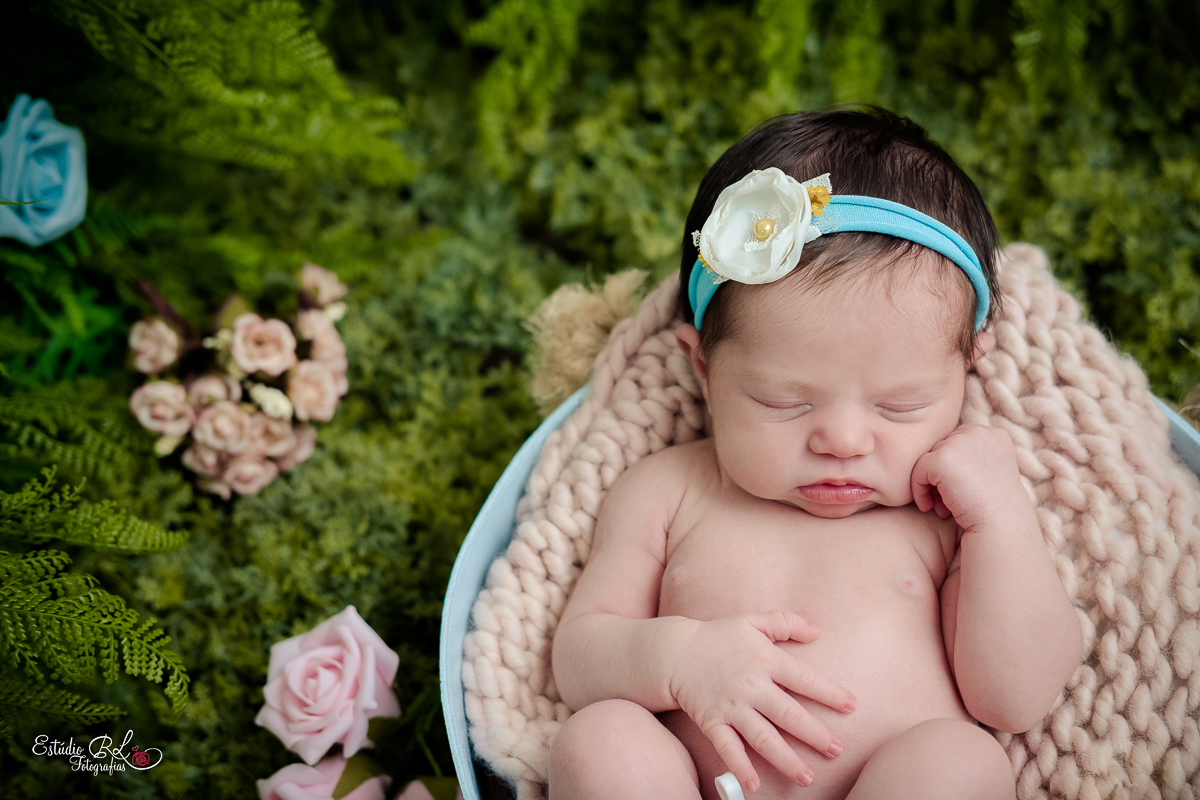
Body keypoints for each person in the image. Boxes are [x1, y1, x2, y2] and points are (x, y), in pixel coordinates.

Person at [546, 108, 1083, 800]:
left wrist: (1003, 519)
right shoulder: (670, 488)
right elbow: (580, 656)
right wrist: (678, 658)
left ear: (969, 369)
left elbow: (1014, 700)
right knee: (600, 740)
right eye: (785, 402)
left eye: (900, 406)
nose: (844, 441)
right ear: (702, 366)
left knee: (963, 763)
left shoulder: (945, 514)